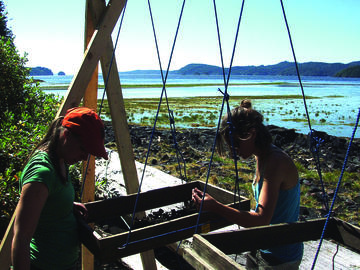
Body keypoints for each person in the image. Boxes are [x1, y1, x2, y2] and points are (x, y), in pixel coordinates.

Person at [192, 100, 303, 269]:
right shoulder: (262, 156)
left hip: (280, 256)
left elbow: (261, 220)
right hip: (260, 245)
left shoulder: (276, 162)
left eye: (235, 143)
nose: (232, 150)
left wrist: (216, 207)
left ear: (251, 133)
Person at [11, 107, 108, 270]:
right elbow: (21, 237)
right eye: (84, 149)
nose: (85, 157)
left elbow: (48, 201)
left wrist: (66, 205)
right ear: (66, 135)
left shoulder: (61, 159)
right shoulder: (42, 173)